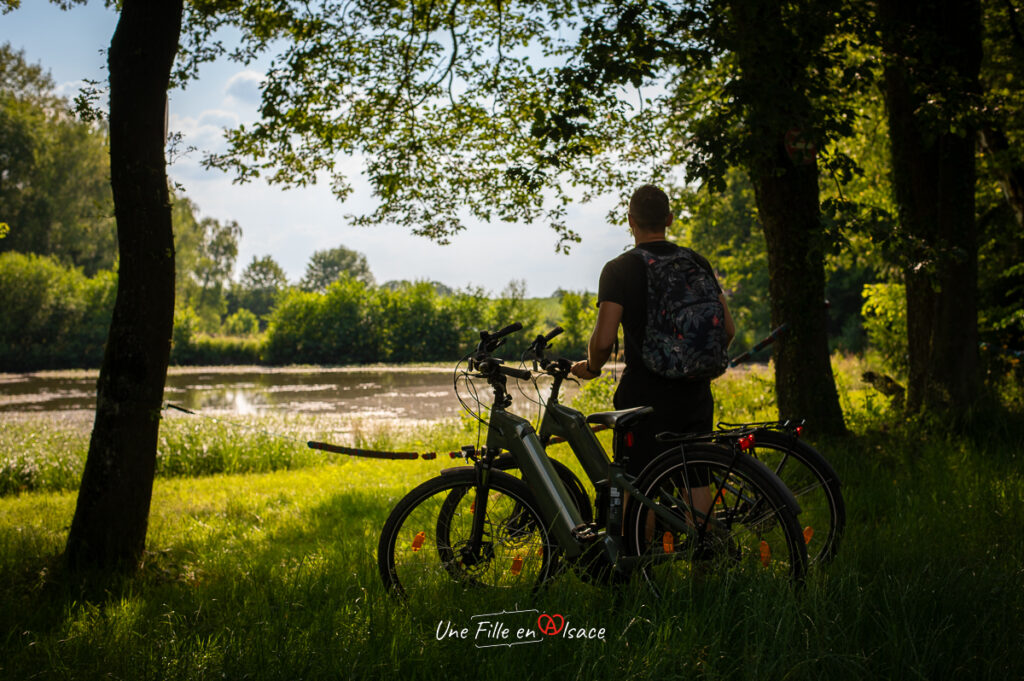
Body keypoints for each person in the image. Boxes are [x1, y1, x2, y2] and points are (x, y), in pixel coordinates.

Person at [570, 184, 736, 480]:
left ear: (630, 220)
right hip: (695, 392)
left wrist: (592, 368)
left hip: (644, 397)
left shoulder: (619, 269)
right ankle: (701, 529)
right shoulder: (696, 262)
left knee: (641, 483)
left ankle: (641, 528)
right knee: (695, 477)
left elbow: (604, 341)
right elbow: (728, 328)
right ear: (669, 219)